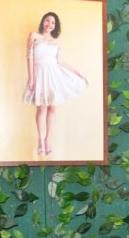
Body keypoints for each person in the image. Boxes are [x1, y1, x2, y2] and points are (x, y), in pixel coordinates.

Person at [23, 11, 87, 156]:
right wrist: (31, 78)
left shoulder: (56, 41)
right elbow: (29, 57)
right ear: (43, 21)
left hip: (54, 75)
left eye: (53, 23)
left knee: (52, 108)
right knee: (41, 108)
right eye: (47, 20)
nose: (50, 24)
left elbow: (60, 62)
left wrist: (76, 72)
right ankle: (40, 140)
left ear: (55, 26)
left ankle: (47, 140)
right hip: (40, 74)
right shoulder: (34, 36)